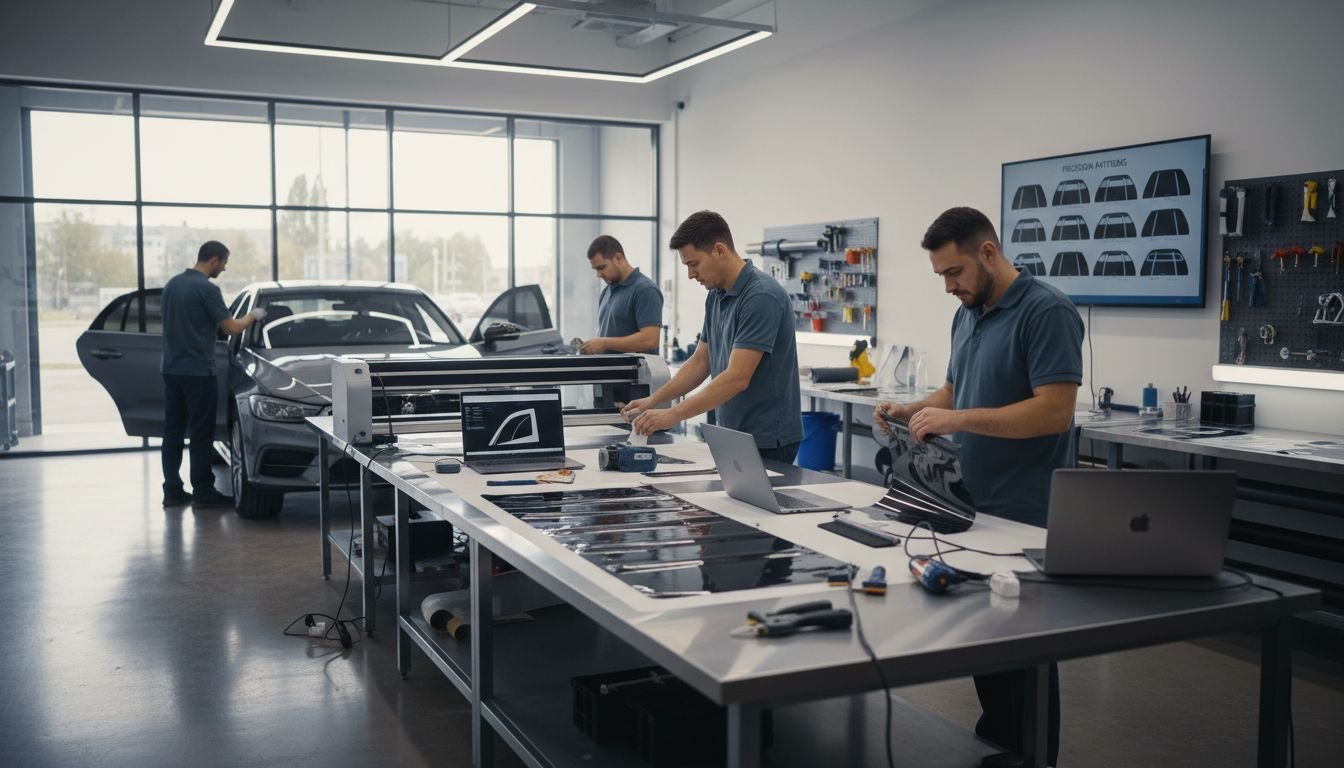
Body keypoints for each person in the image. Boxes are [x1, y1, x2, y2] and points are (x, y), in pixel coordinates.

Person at [875, 207, 1082, 766]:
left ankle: (1032, 757)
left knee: (1025, 655)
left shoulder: (1047, 311)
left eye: (954, 272)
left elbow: (1054, 412)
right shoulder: (968, 312)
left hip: (1025, 513)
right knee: (985, 643)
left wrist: (959, 420)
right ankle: (999, 749)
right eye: (941, 275)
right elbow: (952, 388)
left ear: (988, 252)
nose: (949, 286)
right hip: (970, 506)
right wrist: (911, 411)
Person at [622, 211, 802, 463]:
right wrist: (655, 400)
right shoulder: (716, 295)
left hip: (767, 438)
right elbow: (700, 362)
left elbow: (737, 378)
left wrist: (672, 415)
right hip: (732, 433)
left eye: (693, 263)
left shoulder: (761, 296)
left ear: (719, 250)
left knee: (756, 503)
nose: (690, 274)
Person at [160, 241, 266, 507]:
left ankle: (172, 490)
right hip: (198, 372)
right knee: (201, 433)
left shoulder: (172, 285)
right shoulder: (206, 289)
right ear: (214, 260)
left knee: (172, 432)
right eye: (224, 263)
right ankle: (203, 492)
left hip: (171, 370)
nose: (225, 269)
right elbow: (231, 328)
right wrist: (253, 315)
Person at [579, 235, 663, 355]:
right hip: (609, 372)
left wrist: (603, 343)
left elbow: (650, 340)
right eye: (595, 270)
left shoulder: (645, 290)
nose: (598, 274)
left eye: (602, 267)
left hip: (634, 373)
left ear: (618, 257)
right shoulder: (606, 292)